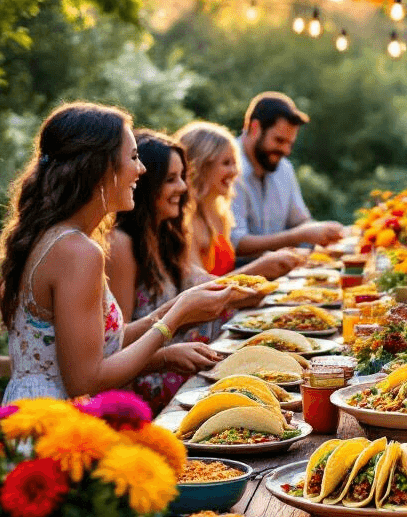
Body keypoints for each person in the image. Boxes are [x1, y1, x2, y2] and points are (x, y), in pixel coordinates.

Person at [0, 103, 231, 517]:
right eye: (132, 157)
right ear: (99, 168)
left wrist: (174, 314)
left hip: (35, 416)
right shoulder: (78, 252)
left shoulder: (62, 239)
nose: (141, 169)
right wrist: (174, 321)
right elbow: (86, 377)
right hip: (54, 434)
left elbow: (100, 341)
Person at [107, 131, 299, 412]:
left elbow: (210, 289)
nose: (183, 187)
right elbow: (115, 345)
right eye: (171, 179)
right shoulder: (121, 244)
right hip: (147, 392)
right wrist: (165, 356)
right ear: (147, 182)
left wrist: (264, 281)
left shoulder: (166, 235)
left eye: (183, 177)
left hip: (187, 371)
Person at [230, 91, 344, 257]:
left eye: (290, 144)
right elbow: (235, 243)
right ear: (255, 128)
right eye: (279, 140)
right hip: (239, 270)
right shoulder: (227, 166)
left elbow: (300, 222)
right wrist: (299, 236)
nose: (286, 150)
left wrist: (325, 231)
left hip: (282, 268)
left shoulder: (283, 168)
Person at [175, 120, 245, 276]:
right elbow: (198, 285)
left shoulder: (221, 214)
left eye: (235, 163)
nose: (234, 171)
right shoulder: (184, 220)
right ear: (201, 167)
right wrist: (259, 268)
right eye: (226, 163)